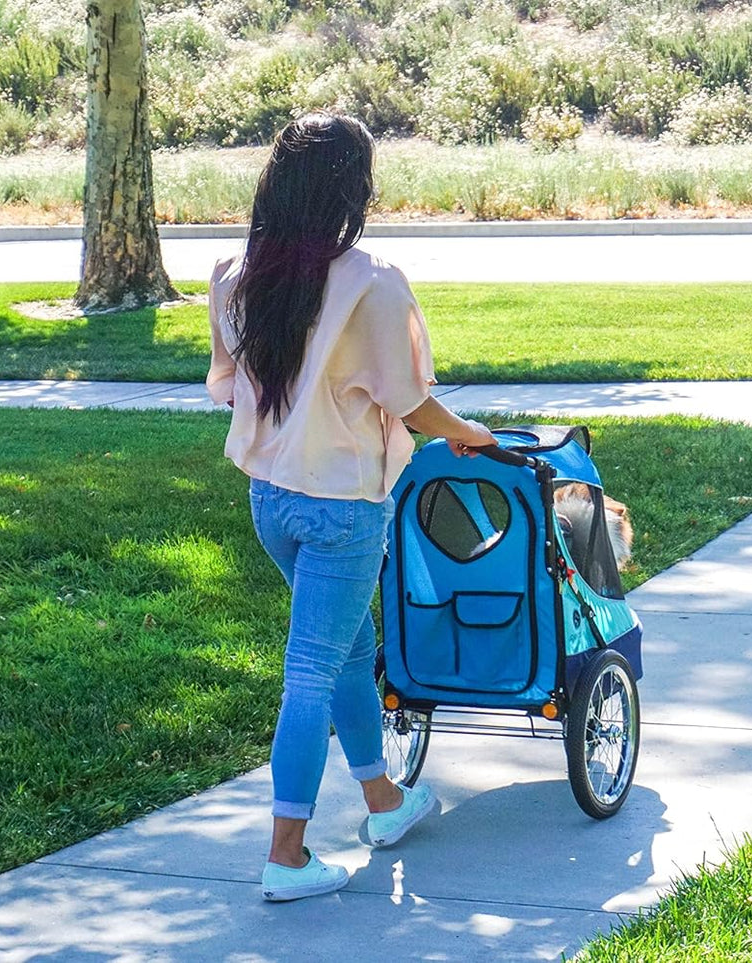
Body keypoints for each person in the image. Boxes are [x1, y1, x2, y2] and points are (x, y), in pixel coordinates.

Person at [205, 111, 495, 902]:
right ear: (351, 188)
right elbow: (409, 403)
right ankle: (286, 856)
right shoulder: (372, 282)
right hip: (340, 508)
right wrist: (467, 433)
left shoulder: (234, 273)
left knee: (343, 644)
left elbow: (230, 386)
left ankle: (383, 801)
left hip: (270, 501)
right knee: (310, 668)